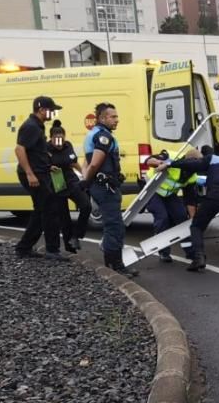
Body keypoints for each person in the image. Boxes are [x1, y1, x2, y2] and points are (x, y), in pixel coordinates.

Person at [152, 147, 219, 271]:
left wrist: (170, 163)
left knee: (197, 226)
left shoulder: (214, 159)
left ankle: (199, 258)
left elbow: (191, 164)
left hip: (213, 196)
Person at [81, 102, 138, 277]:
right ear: (103, 118)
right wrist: (88, 180)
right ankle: (116, 266)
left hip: (102, 187)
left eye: (116, 117)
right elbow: (96, 162)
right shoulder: (104, 136)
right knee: (114, 226)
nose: (117, 120)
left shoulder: (93, 134)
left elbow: (86, 162)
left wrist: (86, 180)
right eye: (113, 117)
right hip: (106, 188)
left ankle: (111, 263)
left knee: (113, 225)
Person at [14, 96, 66, 261]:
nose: (54, 113)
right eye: (52, 110)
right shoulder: (31, 127)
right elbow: (19, 150)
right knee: (50, 209)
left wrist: (47, 166)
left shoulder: (37, 126)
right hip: (34, 175)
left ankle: (24, 248)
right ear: (42, 110)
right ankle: (52, 250)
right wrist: (30, 173)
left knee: (41, 211)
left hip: (40, 172)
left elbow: (35, 152)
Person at [145, 148, 199, 262]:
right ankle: (163, 252)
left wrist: (194, 221)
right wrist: (161, 163)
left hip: (169, 194)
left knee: (182, 217)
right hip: (152, 190)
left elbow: (190, 200)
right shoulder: (172, 156)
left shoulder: (192, 176)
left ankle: (191, 252)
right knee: (162, 217)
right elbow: (148, 160)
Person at [45, 120, 91, 254]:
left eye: (61, 139)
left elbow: (74, 163)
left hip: (71, 181)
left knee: (86, 206)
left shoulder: (68, 145)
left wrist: (85, 175)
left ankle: (77, 235)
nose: (59, 142)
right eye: (56, 139)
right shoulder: (45, 148)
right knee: (64, 217)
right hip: (56, 183)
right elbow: (39, 165)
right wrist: (49, 167)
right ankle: (69, 246)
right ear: (51, 138)